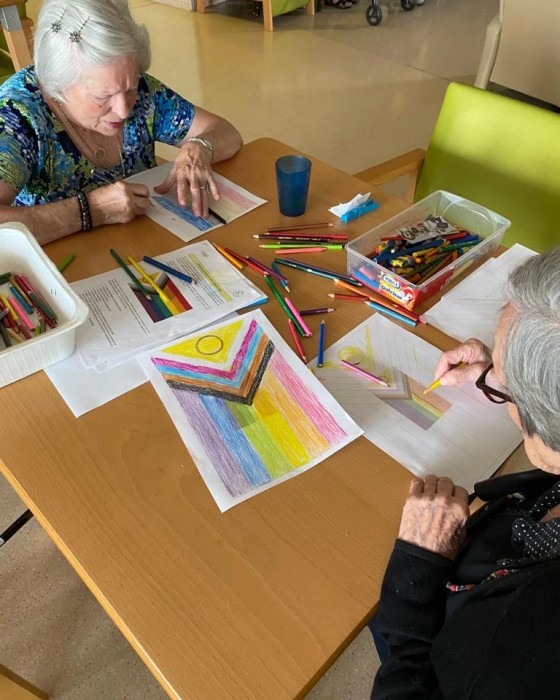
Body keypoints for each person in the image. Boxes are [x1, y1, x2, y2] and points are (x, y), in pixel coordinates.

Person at [371, 246, 560, 698]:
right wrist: (513, 371)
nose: (492, 375)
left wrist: (417, 566)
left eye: (506, 391)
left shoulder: (515, 641)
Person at [0, 0, 242, 245]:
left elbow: (226, 133)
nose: (124, 109)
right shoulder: (17, 117)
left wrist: (200, 147)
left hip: (145, 246)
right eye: (102, 96)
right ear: (57, 85)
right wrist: (91, 210)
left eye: (130, 88)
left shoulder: (143, 93)